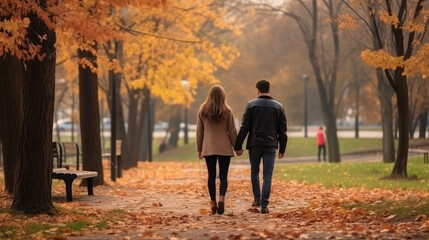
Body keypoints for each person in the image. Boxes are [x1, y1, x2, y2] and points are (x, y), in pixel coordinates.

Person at [234, 80, 287, 214]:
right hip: (270, 145)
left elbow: (245, 127)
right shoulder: (279, 107)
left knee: (254, 171)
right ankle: (264, 204)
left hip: (255, 144)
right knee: (267, 174)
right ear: (269, 89)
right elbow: (283, 131)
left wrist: (238, 145)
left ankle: (257, 199)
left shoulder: (251, 105)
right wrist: (282, 149)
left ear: (257, 90)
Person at [196, 85, 237, 215]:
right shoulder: (227, 110)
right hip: (224, 147)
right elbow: (232, 131)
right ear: (223, 95)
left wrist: (199, 148)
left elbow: (199, 131)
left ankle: (213, 202)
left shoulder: (203, 110)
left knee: (211, 176)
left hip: (209, 147)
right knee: (223, 176)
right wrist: (237, 146)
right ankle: (221, 199)